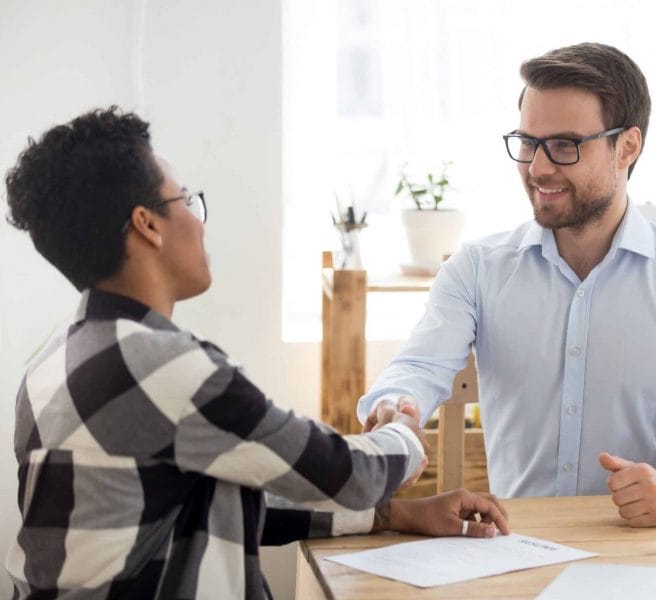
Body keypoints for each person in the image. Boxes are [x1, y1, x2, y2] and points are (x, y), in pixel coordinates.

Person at [4, 107, 509, 599]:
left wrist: (396, 515)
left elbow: (217, 497)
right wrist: (406, 431)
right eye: (187, 201)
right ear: (147, 225)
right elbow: (345, 474)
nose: (200, 224)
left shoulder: (50, 363)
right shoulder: (164, 368)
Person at [359, 42, 656, 527]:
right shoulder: (476, 269)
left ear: (627, 147)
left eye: (564, 146)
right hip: (513, 549)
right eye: (527, 142)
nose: (538, 167)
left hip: (646, 551)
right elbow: (417, 368)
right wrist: (397, 408)